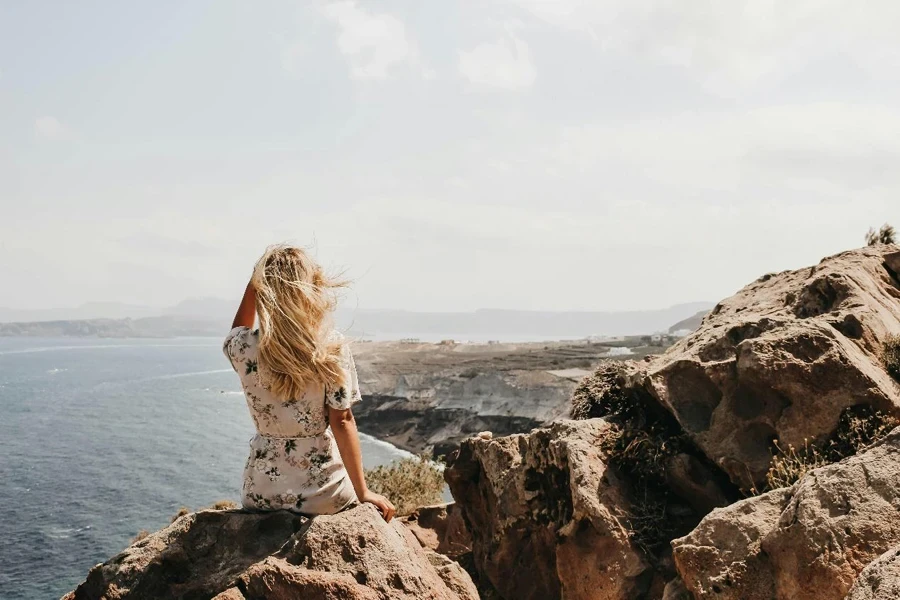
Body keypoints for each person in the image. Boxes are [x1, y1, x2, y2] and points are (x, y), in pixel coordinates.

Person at [223, 244, 395, 521]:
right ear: (310, 290)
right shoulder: (330, 349)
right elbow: (342, 421)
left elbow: (235, 331)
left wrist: (253, 284)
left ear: (262, 291)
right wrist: (363, 492)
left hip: (260, 495)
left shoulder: (244, 348)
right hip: (322, 496)